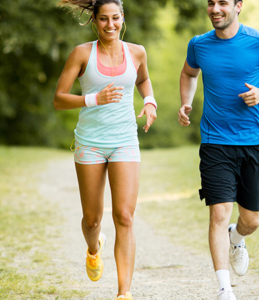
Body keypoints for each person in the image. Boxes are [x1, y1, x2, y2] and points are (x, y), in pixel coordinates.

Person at [178, 0, 259, 299]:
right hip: (214, 142)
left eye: (223, 3)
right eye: (211, 3)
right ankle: (224, 289)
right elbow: (189, 74)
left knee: (251, 220)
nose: (215, 8)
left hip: (252, 141)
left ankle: (238, 237)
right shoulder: (198, 45)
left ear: (238, 6)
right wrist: (186, 102)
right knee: (218, 213)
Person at [54, 1, 158, 299]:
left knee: (124, 216)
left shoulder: (136, 52)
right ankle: (92, 246)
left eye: (115, 18)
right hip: (90, 143)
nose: (110, 25)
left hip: (125, 140)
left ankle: (123, 293)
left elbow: (143, 79)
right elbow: (59, 98)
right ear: (94, 21)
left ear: (122, 19)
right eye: (103, 19)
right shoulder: (82, 53)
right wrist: (93, 99)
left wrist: (149, 101)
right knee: (92, 220)